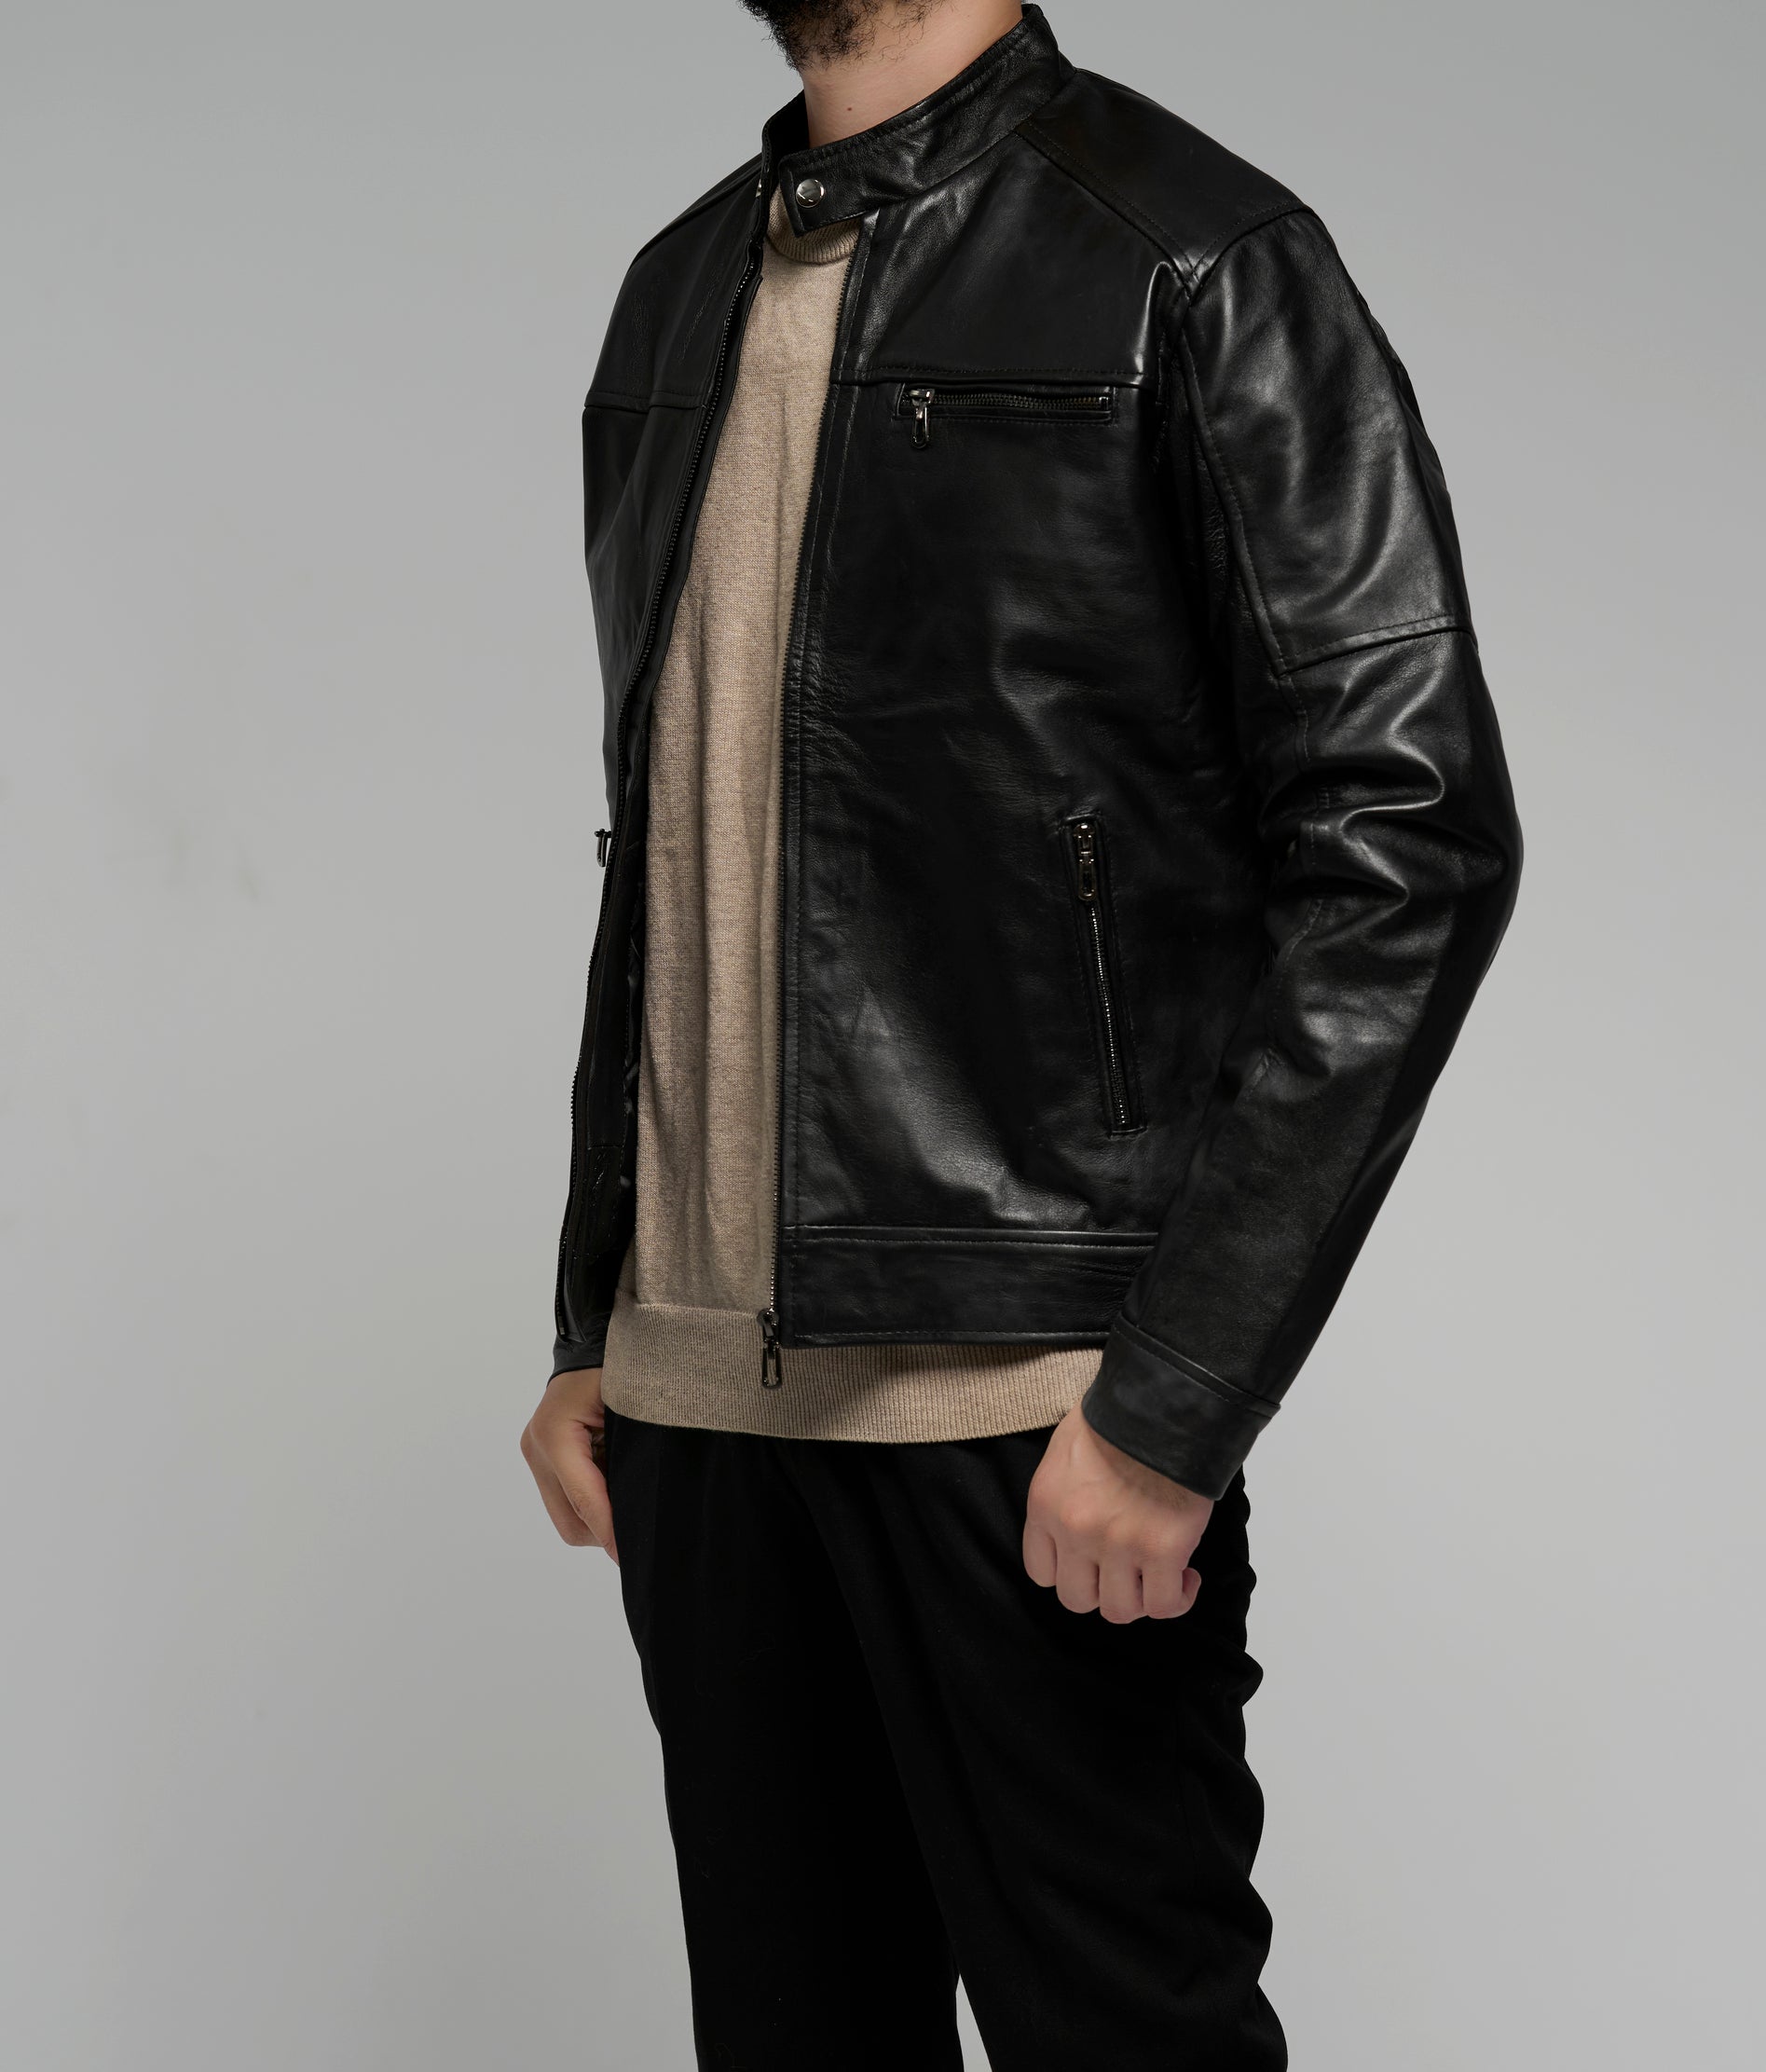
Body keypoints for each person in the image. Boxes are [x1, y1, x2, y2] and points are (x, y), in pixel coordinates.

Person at [520, 1, 1520, 2063]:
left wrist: (1174, 1397)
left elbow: (1411, 838)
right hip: (698, 1414)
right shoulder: (677, 287)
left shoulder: (1191, 256)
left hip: (1034, 1401)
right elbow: (678, 835)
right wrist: (592, 1311)